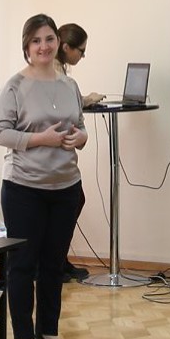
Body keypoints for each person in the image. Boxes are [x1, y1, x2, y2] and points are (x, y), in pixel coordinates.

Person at [0, 13, 89, 339]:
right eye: (36, 41)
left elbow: (81, 127)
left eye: (49, 39)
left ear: (57, 43)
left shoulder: (69, 85)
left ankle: (49, 331)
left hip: (65, 186)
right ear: (27, 47)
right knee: (23, 266)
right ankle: (24, 338)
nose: (43, 46)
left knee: (53, 265)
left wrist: (80, 138)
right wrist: (40, 139)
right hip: (24, 188)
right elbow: (0, 132)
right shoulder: (15, 86)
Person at [55, 23, 96, 281]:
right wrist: (86, 100)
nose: (82, 56)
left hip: (65, 156)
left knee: (75, 200)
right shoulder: (55, 74)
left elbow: (70, 101)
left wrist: (85, 100)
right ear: (67, 47)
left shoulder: (64, 76)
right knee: (74, 200)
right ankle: (55, 261)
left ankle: (60, 259)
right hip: (52, 158)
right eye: (81, 51)